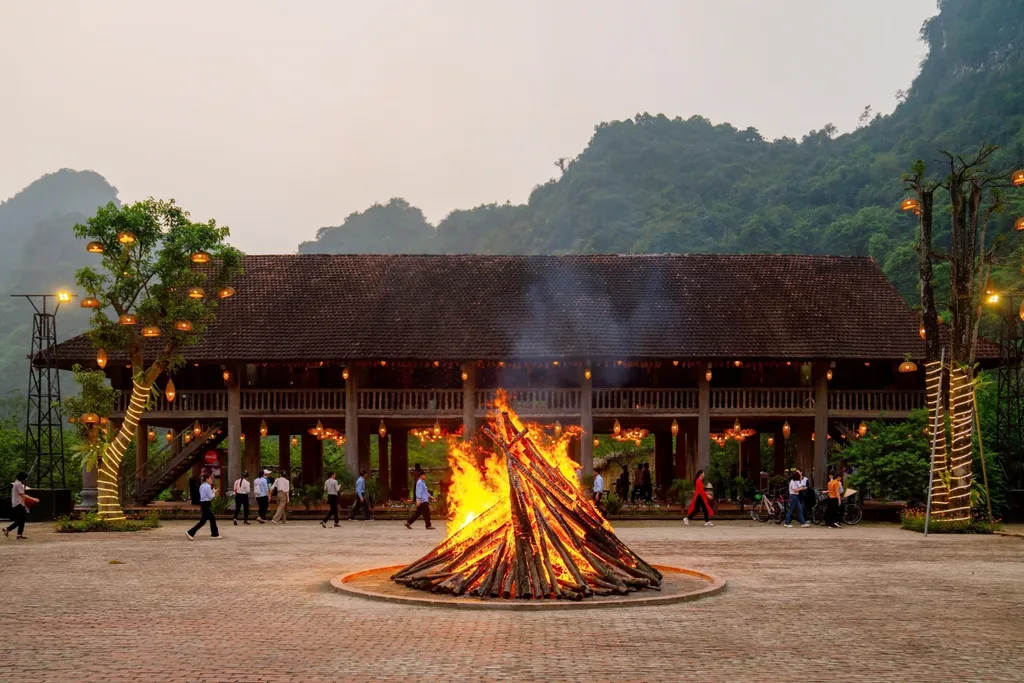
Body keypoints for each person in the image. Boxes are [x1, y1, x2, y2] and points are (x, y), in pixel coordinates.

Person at [186, 473, 221, 540]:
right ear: (207, 479)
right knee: (203, 521)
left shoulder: (202, 486)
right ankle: (190, 532)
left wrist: (212, 491)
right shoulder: (207, 486)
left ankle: (215, 534)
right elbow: (210, 497)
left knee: (210, 519)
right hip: (206, 504)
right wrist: (214, 492)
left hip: (204, 504)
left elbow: (206, 494)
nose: (211, 480)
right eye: (210, 478)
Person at [4, 471, 30, 540]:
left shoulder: (16, 483)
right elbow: (22, 494)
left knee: (22, 519)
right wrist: (33, 499)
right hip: (19, 504)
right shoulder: (19, 484)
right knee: (21, 519)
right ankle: (8, 529)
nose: (26, 479)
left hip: (18, 503)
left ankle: (19, 535)